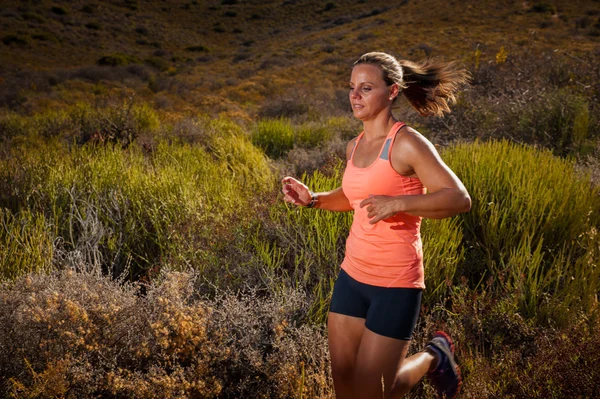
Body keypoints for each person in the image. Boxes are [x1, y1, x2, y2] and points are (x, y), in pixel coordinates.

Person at [281, 52, 471, 399]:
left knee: (373, 393)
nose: (355, 96)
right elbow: (356, 198)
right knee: (346, 388)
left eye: (366, 88)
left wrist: (399, 203)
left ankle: (433, 356)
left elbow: (458, 198)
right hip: (352, 277)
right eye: (352, 88)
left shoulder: (407, 143)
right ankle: (435, 356)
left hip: (395, 283)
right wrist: (313, 199)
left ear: (392, 90)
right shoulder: (354, 146)